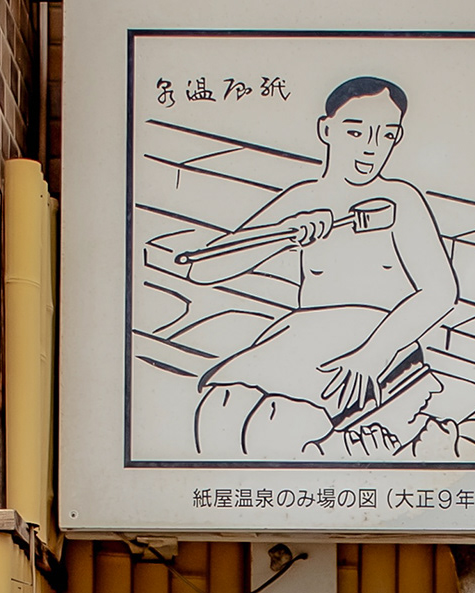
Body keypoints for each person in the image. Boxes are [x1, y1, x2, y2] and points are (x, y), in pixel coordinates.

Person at [179, 75, 459, 455]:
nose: (371, 149)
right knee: (219, 408)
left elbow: (440, 293)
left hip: (374, 342)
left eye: (386, 135)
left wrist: (371, 355)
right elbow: (205, 270)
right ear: (325, 130)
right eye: (355, 132)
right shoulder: (302, 199)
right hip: (301, 337)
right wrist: (283, 233)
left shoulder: (399, 200)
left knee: (278, 424)